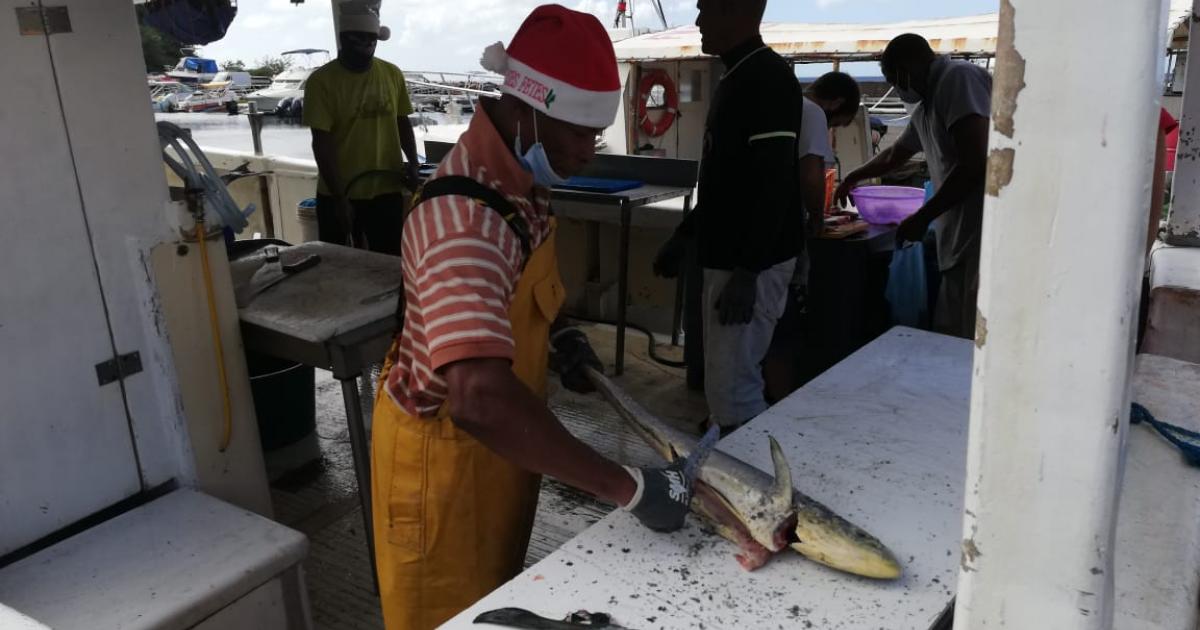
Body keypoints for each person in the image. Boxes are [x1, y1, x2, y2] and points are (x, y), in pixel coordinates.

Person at [370, 7, 701, 629]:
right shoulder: (463, 223)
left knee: (498, 608)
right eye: (577, 131)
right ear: (526, 106)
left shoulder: (523, 180)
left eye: (596, 133)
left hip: (505, 455)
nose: (587, 151)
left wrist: (560, 332)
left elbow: (518, 293)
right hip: (443, 466)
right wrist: (628, 487)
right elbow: (479, 400)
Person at [653, 0, 804, 434]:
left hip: (748, 266)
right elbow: (727, 183)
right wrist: (685, 235)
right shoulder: (738, 76)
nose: (698, 21)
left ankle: (750, 490)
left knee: (733, 392)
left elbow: (773, 181)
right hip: (730, 260)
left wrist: (748, 272)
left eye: (706, 10)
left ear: (738, 11)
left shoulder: (767, 78)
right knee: (724, 387)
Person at [834, 33, 991, 339]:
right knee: (950, 334)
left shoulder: (956, 79)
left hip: (981, 236)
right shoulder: (926, 106)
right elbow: (895, 154)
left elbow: (974, 162)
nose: (896, 87)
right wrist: (853, 177)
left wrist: (922, 217)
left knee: (969, 342)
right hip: (958, 239)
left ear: (907, 68)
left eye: (893, 78)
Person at [764, 71, 862, 402]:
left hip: (757, 233)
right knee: (785, 326)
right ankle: (780, 401)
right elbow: (811, 170)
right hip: (782, 238)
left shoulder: (783, 103)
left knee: (763, 329)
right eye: (838, 123)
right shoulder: (813, 112)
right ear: (835, 103)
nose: (831, 129)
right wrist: (818, 216)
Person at [303, 1, 420, 255]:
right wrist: (339, 199)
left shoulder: (392, 74)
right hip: (339, 193)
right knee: (337, 263)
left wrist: (412, 162)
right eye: (360, 40)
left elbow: (402, 121)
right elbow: (321, 142)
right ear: (344, 39)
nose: (368, 46)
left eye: (372, 40)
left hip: (386, 189)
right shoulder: (321, 82)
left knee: (389, 263)